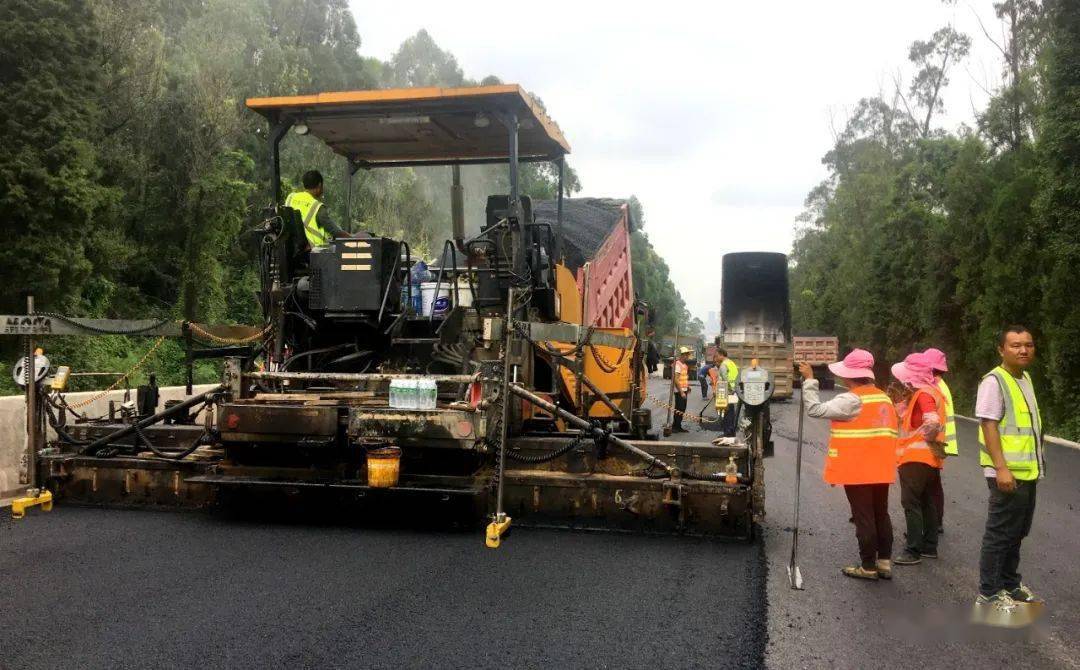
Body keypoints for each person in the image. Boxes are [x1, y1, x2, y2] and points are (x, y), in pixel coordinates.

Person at [799, 350, 899, 580]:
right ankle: (883, 563)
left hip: (858, 470)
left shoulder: (852, 399)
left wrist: (809, 380)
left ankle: (867, 566)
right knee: (880, 514)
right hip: (881, 469)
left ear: (850, 376)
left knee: (863, 517)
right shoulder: (883, 398)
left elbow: (815, 410)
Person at [974, 325, 1044, 613]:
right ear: (1001, 349)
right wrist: (1001, 468)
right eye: (1015, 345)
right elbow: (988, 424)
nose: (1023, 349)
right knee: (1000, 532)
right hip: (1006, 473)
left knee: (1018, 531)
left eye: (1027, 344)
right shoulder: (994, 381)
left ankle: (1010, 583)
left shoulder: (1024, 378)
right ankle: (989, 592)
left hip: (1027, 472)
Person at [890, 353, 946, 566]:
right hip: (929, 457)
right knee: (927, 501)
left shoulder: (923, 394)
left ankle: (912, 550)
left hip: (916, 457)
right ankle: (929, 545)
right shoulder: (932, 391)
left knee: (910, 502)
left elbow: (932, 421)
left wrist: (923, 437)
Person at [923, 347, 957, 533]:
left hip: (935, 441)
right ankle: (936, 522)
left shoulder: (934, 387)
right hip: (940, 441)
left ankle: (933, 523)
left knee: (930, 485)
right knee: (934, 483)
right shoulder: (941, 384)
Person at [284, 170, 353, 248]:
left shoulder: (291, 197)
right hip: (313, 253)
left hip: (291, 249)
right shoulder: (317, 207)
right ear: (320, 185)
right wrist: (352, 239)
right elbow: (334, 231)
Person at [715, 348, 740, 437]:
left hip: (727, 391)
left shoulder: (723, 365)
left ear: (722, 355)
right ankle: (731, 431)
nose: (716, 358)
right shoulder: (731, 362)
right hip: (733, 390)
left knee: (727, 413)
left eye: (717, 356)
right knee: (731, 413)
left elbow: (725, 379)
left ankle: (728, 433)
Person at [671, 346, 692, 433]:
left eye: (688, 355)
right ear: (682, 355)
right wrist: (681, 391)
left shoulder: (684, 365)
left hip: (684, 389)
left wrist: (688, 387)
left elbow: (684, 378)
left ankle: (678, 426)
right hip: (679, 391)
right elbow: (676, 379)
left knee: (682, 409)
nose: (688, 356)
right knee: (679, 409)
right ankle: (675, 427)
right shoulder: (677, 365)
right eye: (686, 355)